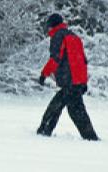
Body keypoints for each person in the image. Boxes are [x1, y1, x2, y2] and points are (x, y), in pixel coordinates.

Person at [37, 13, 99, 141]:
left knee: (75, 111)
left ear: (52, 25)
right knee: (58, 105)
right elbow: (82, 60)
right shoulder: (73, 36)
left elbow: (55, 59)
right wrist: (83, 81)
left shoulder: (58, 36)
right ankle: (44, 130)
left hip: (70, 80)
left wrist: (44, 74)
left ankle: (91, 138)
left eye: (48, 26)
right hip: (77, 80)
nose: (47, 29)